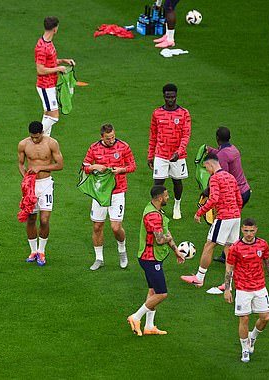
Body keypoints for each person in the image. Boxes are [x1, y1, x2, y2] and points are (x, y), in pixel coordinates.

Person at [127, 185, 186, 336]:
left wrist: (176, 250)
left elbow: (164, 231)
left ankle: (149, 326)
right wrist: (169, 239)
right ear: (160, 198)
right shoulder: (153, 215)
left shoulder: (155, 209)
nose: (168, 198)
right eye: (166, 196)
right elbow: (160, 239)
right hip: (150, 259)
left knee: (152, 291)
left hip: (151, 257)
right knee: (161, 293)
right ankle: (136, 317)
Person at [181, 153, 242, 288]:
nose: (206, 170)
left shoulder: (214, 178)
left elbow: (213, 199)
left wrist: (199, 212)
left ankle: (199, 278)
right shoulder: (231, 177)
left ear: (210, 164)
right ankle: (228, 284)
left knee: (209, 246)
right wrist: (235, 213)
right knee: (229, 251)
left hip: (224, 217)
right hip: (236, 217)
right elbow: (239, 199)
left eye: (206, 167)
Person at [224, 218, 269, 363]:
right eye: (246, 230)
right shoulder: (235, 247)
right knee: (245, 319)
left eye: (252, 230)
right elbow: (229, 268)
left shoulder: (262, 244)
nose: (249, 233)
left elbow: (267, 262)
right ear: (242, 230)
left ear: (256, 230)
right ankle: (244, 350)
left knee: (265, 318)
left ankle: (252, 337)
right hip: (243, 289)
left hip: (260, 287)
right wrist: (227, 289)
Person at [82, 124, 136, 271]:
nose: (111, 140)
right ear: (101, 137)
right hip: (100, 193)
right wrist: (94, 167)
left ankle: (122, 250)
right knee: (97, 226)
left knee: (115, 227)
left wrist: (122, 170)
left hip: (118, 192)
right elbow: (84, 167)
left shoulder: (123, 146)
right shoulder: (93, 148)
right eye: (108, 138)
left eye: (112, 137)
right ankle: (99, 258)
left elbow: (133, 166)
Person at [18, 121, 64, 266]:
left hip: (45, 185)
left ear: (42, 133)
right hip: (31, 185)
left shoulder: (52, 143)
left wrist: (40, 167)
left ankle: (41, 251)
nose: (34, 140)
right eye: (32, 137)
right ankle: (33, 251)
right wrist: (25, 177)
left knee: (44, 220)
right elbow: (20, 163)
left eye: (37, 137)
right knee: (31, 218)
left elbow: (60, 165)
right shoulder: (23, 144)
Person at [205, 127, 251, 263]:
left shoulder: (222, 156)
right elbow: (221, 154)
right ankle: (229, 255)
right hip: (245, 190)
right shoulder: (233, 149)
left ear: (217, 138)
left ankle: (236, 255)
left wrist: (207, 190)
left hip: (236, 193)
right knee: (231, 225)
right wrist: (211, 150)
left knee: (227, 224)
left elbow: (221, 176)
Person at [147, 83, 191, 220]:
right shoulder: (157, 113)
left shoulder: (184, 113)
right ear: (164, 96)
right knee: (158, 183)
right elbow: (153, 135)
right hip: (161, 154)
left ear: (176, 96)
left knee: (177, 181)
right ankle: (157, 208)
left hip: (178, 155)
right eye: (168, 97)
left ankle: (177, 206)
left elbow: (186, 135)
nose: (170, 100)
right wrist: (150, 155)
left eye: (172, 97)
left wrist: (179, 152)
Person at [35, 16, 76, 136]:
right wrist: (59, 69)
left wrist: (64, 61)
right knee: (54, 116)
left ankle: (44, 142)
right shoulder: (42, 47)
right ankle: (35, 136)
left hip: (50, 84)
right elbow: (40, 70)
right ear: (55, 28)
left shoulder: (48, 43)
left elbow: (49, 61)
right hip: (45, 85)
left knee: (47, 114)